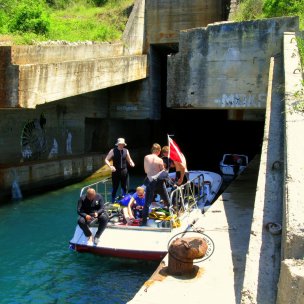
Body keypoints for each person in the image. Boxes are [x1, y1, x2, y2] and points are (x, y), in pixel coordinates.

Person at [142, 143, 170, 226]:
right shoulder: (160, 160)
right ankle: (171, 217)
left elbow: (145, 170)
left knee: (147, 204)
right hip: (159, 183)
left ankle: (144, 222)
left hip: (150, 181)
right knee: (167, 201)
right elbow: (162, 172)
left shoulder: (146, 157)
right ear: (158, 151)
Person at [105, 138, 135, 202]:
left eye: (122, 144)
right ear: (117, 144)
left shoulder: (126, 151)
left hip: (124, 171)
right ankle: (112, 200)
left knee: (124, 186)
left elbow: (129, 159)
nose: (121, 145)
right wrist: (110, 166)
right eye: (120, 144)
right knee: (115, 187)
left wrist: (131, 163)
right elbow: (106, 159)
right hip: (115, 171)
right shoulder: (113, 151)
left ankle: (124, 199)